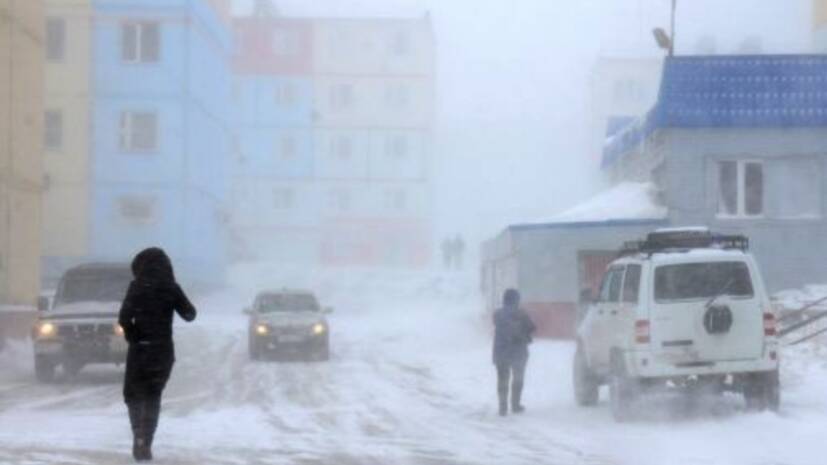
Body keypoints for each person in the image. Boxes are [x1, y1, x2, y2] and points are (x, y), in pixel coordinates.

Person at [119, 248, 196, 461]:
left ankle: (138, 435)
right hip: (162, 351)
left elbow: (124, 318)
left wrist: (133, 335)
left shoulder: (136, 287)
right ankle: (147, 440)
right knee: (153, 395)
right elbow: (190, 315)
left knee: (133, 395)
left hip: (139, 350)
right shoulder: (171, 288)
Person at [492, 288, 536, 416]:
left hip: (501, 351)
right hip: (518, 351)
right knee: (518, 378)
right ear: (516, 300)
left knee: (502, 379)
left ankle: (502, 407)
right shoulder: (521, 313)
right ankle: (515, 405)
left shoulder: (497, 314)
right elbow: (532, 327)